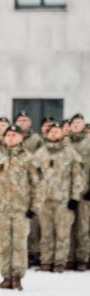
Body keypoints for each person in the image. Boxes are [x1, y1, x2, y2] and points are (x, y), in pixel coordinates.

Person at [0, 125, 42, 290]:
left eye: (14, 135)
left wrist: (35, 207)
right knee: (4, 244)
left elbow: (39, 185)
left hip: (21, 209)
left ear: (21, 138)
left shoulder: (29, 159)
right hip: (1, 209)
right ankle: (6, 276)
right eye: (8, 135)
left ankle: (17, 277)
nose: (11, 138)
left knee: (19, 244)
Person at [33, 122, 84, 272]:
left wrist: (75, 198)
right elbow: (33, 176)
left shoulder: (70, 152)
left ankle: (60, 262)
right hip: (44, 201)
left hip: (64, 201)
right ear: (47, 134)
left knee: (63, 233)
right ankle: (46, 262)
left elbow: (78, 177)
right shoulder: (40, 153)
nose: (54, 134)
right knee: (46, 233)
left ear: (62, 134)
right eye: (51, 131)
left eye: (57, 131)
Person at [68, 114, 90, 270]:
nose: (76, 125)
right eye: (73, 123)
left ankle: (82, 258)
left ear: (84, 125)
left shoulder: (88, 143)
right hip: (65, 192)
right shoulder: (64, 143)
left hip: (84, 191)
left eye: (79, 123)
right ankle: (68, 257)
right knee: (67, 227)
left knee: (83, 227)